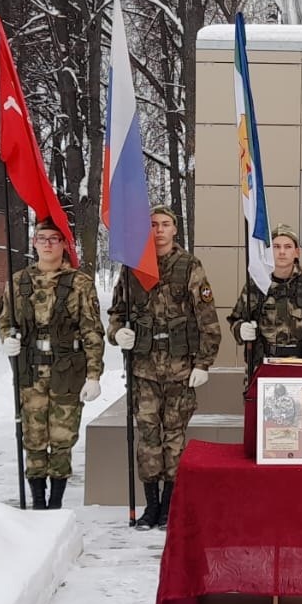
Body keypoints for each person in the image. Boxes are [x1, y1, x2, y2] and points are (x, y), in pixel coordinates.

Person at [106, 205, 222, 530]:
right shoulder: (133, 268)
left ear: (174, 230)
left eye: (165, 224)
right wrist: (119, 333)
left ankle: (170, 506)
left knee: (174, 439)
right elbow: (116, 312)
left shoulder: (189, 267)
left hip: (180, 369)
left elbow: (208, 321)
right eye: (153, 224)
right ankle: (151, 506)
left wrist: (204, 363)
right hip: (143, 368)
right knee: (147, 437)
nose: (158, 230)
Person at [0, 218, 104, 511]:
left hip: (66, 371)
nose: (47, 243)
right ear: (34, 243)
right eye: (41, 238)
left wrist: (94, 374)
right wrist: (8, 337)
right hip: (30, 371)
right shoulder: (18, 281)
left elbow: (92, 330)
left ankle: (55, 503)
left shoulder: (79, 283)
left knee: (61, 438)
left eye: (54, 239)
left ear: (63, 244)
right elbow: (6, 320)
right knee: (32, 438)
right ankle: (38, 501)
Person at [228, 223, 302, 385]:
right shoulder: (256, 285)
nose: (282, 252)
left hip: (300, 368)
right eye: (276, 247)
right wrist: (241, 330)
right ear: (268, 252)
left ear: (297, 252)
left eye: (288, 246)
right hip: (263, 367)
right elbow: (236, 319)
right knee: (258, 410)